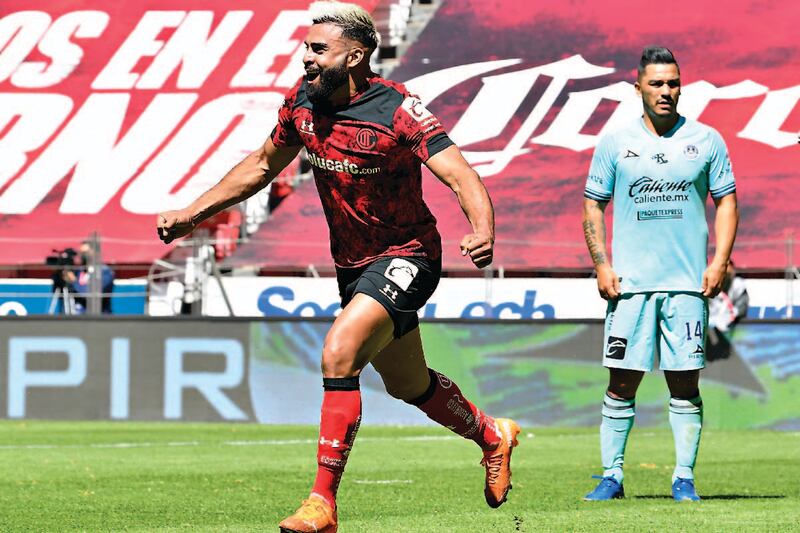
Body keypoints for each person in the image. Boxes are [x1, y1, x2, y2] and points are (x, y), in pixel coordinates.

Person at [157, 2, 520, 531]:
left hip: (408, 255)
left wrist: (482, 228)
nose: (305, 56)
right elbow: (261, 165)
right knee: (409, 385)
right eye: (306, 47)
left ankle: (322, 502)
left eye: (318, 49)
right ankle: (492, 435)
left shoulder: (397, 109)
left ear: (355, 56)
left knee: (339, 352)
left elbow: (461, 174)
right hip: (352, 267)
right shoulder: (302, 102)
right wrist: (193, 213)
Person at [581, 46, 738, 502]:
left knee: (685, 383)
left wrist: (719, 262)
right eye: (656, 83)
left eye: (673, 83)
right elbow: (593, 205)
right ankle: (611, 476)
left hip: (687, 286)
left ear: (681, 87)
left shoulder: (707, 140)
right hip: (630, 288)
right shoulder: (615, 142)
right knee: (621, 382)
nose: (666, 91)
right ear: (639, 89)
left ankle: (684, 478)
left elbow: (727, 201)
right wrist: (601, 263)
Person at [706, 260, 749, 362]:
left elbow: (742, 305)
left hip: (730, 325)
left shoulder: (738, 285)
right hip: (711, 324)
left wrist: (733, 313)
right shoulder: (708, 283)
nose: (725, 271)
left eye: (728, 267)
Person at [63, 239, 115, 314]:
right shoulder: (79, 271)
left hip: (98, 317)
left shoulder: (104, 272)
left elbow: (92, 293)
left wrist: (74, 282)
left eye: (85, 252)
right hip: (79, 316)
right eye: (81, 252)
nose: (82, 255)